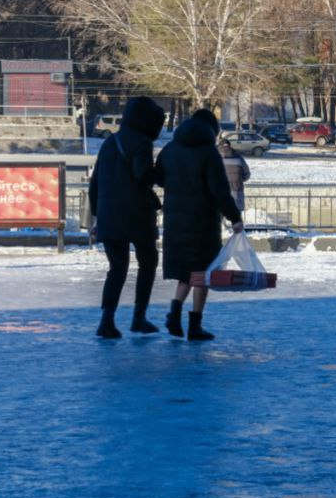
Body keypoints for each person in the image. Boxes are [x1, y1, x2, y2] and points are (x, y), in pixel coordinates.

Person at [155, 109, 244, 341]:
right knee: (203, 273)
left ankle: (174, 314)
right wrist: (235, 217)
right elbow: (220, 191)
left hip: (175, 220)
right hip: (203, 221)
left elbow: (158, 177)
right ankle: (195, 325)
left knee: (187, 272)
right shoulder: (208, 153)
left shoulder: (170, 149)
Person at [88, 97, 167, 339]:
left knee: (117, 268)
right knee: (148, 263)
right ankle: (138, 317)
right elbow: (143, 174)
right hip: (136, 217)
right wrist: (160, 173)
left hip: (110, 217)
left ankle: (107, 320)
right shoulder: (141, 142)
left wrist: (98, 215)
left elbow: (95, 184)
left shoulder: (110, 142)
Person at [217, 136, 251, 211]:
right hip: (237, 193)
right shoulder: (239, 158)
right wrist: (238, 179)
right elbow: (247, 174)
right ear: (230, 146)